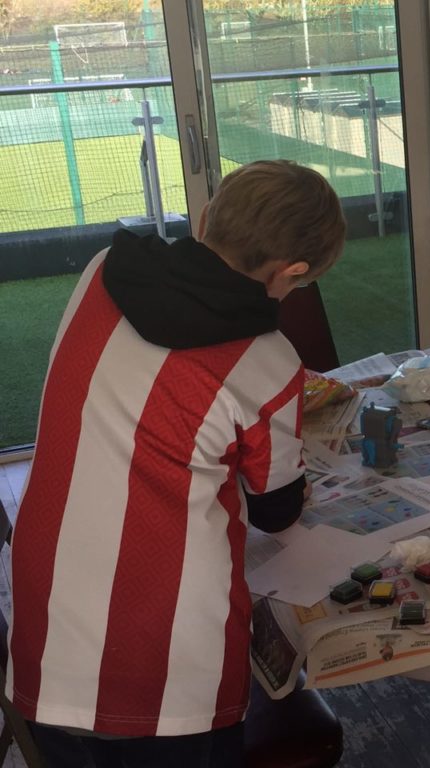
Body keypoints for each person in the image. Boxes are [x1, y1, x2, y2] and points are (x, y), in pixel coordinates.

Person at [9, 160, 347, 768]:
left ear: (208, 216)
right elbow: (276, 511)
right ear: (292, 272)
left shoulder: (104, 270)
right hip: (166, 668)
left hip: (48, 638)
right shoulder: (267, 359)